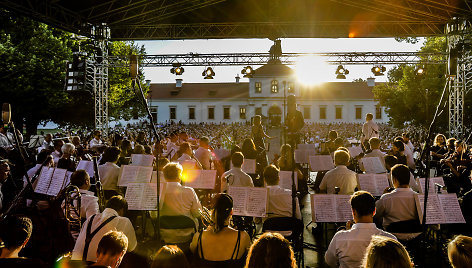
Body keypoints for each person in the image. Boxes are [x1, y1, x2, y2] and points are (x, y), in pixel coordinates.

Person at [325, 191, 397, 268]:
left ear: (353, 212)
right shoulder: (390, 239)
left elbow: (330, 261)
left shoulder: (340, 237)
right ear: (374, 211)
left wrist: (347, 233)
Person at [190, 193, 251, 268]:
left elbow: (192, 255)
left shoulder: (198, 236)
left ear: (212, 211)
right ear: (231, 212)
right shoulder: (243, 237)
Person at [72, 195, 137, 262]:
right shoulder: (124, 221)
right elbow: (131, 247)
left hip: (75, 263)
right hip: (97, 265)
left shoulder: (91, 218)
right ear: (122, 210)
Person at [375, 164, 419, 229]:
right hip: (416, 235)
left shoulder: (386, 198)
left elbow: (376, 214)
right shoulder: (418, 197)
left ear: (395, 179)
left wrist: (382, 197)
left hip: (392, 235)